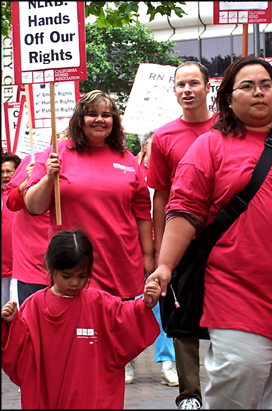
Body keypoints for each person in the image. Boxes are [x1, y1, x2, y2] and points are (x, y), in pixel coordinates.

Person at [146, 55, 272, 409]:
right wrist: (165, 265)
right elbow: (184, 210)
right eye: (247, 86)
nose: (258, 92)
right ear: (228, 99)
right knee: (240, 371)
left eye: (265, 85)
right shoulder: (209, 145)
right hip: (233, 286)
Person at [24, 90, 154, 380]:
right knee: (76, 337)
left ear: (114, 121)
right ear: (79, 119)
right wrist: (49, 177)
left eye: (106, 115)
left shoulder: (127, 159)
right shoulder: (57, 153)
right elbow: (34, 206)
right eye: (92, 114)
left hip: (120, 261)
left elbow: (142, 214)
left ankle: (115, 366)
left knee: (112, 333)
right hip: (74, 264)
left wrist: (149, 257)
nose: (99, 120)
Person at [1, 229, 161, 409]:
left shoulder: (99, 302)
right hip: (48, 396)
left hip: (90, 398)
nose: (74, 283)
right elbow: (21, 357)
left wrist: (146, 302)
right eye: (67, 276)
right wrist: (12, 324)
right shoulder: (34, 306)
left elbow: (127, 317)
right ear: (49, 268)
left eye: (82, 276)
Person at [147, 61, 214, 409]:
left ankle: (224, 388)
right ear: (174, 91)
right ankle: (190, 394)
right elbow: (160, 195)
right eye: (180, 84)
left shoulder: (228, 127)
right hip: (181, 240)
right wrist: (162, 247)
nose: (187, 90)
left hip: (224, 238)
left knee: (224, 315)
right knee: (182, 316)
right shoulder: (164, 137)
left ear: (207, 87)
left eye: (193, 83)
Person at [4, 122, 69, 307]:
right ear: (57, 138)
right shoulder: (36, 160)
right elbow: (11, 202)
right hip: (33, 265)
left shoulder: (84, 163)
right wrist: (28, 181)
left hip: (69, 261)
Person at [134, 129, 179, 387]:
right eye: (154, 145)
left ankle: (168, 362)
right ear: (144, 148)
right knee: (131, 302)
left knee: (163, 304)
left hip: (163, 250)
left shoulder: (173, 174)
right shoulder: (132, 170)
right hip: (134, 249)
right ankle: (128, 358)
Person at [2, 152, 21, 307]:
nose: (5, 176)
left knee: (17, 310)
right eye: (1, 172)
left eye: (9, 171)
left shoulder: (24, 196)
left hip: (19, 267)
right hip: (2, 268)